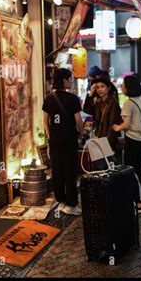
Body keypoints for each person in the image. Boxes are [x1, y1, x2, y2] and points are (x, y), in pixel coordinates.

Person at [43, 68, 84, 215]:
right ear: (64, 81)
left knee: (57, 171)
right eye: (70, 79)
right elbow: (78, 120)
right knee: (70, 172)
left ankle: (60, 200)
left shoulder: (49, 98)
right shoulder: (73, 99)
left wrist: (50, 137)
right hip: (69, 140)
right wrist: (81, 133)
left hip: (55, 142)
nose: (71, 81)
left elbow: (45, 121)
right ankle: (71, 204)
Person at [112, 75, 141, 214]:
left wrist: (118, 127)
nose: (121, 87)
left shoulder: (128, 103)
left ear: (129, 87)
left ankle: (137, 203)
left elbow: (127, 124)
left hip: (132, 140)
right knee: (140, 169)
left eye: (123, 85)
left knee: (130, 171)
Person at [83, 76, 123, 160]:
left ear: (108, 88)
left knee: (110, 167)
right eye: (97, 87)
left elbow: (112, 124)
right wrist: (90, 94)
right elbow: (86, 109)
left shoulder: (113, 102)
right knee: (101, 168)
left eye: (102, 87)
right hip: (100, 139)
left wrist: (107, 144)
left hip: (109, 141)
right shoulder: (98, 102)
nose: (99, 89)